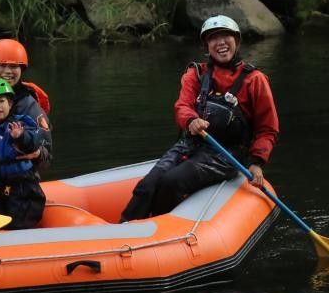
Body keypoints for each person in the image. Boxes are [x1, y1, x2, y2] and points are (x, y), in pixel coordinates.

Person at [120, 15, 280, 222]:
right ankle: (124, 228)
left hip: (228, 154)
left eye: (226, 36)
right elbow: (183, 106)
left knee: (172, 181)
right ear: (207, 45)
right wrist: (191, 120)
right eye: (214, 38)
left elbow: (268, 128)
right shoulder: (196, 73)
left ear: (237, 41)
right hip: (191, 144)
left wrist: (257, 162)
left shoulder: (254, 80)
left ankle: (155, 229)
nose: (220, 43)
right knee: (146, 185)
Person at [0, 38, 52, 169]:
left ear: (21, 69)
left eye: (13, 66)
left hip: (18, 178)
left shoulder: (29, 105)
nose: (8, 71)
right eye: (2, 65)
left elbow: (47, 154)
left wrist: (38, 154)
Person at [0, 77, 47, 229]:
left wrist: (20, 137)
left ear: (10, 103)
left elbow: (33, 144)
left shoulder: (21, 123)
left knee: (21, 217)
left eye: (1, 101)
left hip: (21, 184)